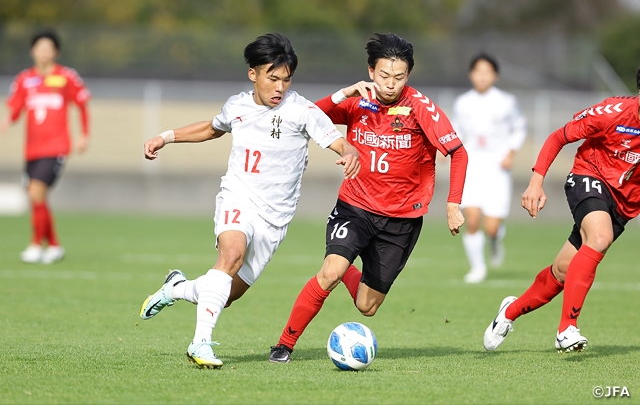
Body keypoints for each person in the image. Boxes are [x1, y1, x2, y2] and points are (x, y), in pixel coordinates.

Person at [138, 32, 359, 369]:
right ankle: (200, 344)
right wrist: (166, 137)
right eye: (272, 78)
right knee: (231, 254)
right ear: (253, 74)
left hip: (276, 219)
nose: (280, 87)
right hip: (238, 197)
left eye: (286, 80)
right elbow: (212, 128)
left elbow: (337, 141)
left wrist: (349, 152)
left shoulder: (302, 111)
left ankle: (176, 288)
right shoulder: (237, 106)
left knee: (225, 294)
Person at [269, 32, 468, 364]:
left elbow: (458, 153)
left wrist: (453, 204)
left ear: (409, 75)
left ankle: (346, 264)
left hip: (401, 221)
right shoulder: (358, 100)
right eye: (384, 75)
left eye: (399, 77)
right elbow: (308, 116)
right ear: (371, 71)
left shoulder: (421, 108)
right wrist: (344, 92)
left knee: (367, 306)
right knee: (329, 272)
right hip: (354, 208)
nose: (391, 84)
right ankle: (284, 345)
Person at [484, 74, 640, 353]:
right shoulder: (612, 114)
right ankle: (566, 329)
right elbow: (558, 136)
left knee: (563, 270)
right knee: (600, 236)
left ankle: (509, 311)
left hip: (624, 203)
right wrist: (536, 182)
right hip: (589, 176)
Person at [1, 30, 90, 264]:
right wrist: (6, 121)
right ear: (32, 51)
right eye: (39, 48)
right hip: (32, 150)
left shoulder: (66, 77)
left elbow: (82, 104)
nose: (43, 53)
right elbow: (15, 109)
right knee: (37, 197)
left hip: (56, 147)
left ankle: (34, 245)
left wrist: (84, 135)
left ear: (56, 52)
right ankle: (54, 245)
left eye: (48, 48)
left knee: (35, 192)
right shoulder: (24, 79)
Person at [451, 53, 526, 283]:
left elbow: (519, 128)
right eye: (478, 72)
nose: (482, 77)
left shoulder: (507, 101)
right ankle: (477, 268)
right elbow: (456, 131)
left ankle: (494, 240)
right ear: (471, 75)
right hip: (471, 166)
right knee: (471, 219)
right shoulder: (462, 102)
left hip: (497, 168)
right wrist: (449, 152)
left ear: (495, 76)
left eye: (487, 72)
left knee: (491, 227)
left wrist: (510, 154)